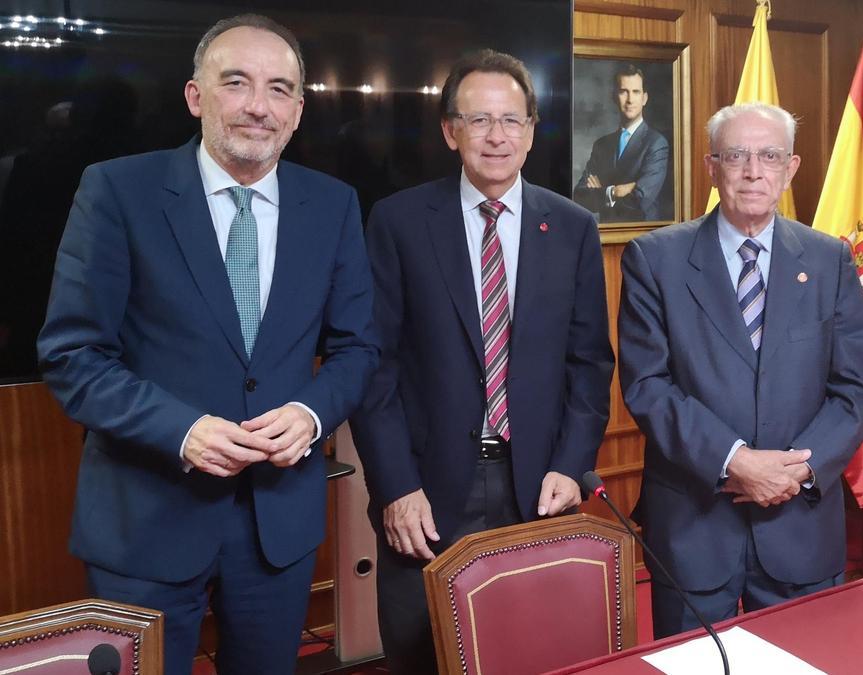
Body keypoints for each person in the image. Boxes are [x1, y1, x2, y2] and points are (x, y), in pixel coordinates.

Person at [36, 14, 379, 675]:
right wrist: (182, 429)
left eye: (280, 89)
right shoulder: (117, 191)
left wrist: (310, 416)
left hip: (278, 524)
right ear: (196, 96)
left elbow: (358, 348)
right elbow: (72, 355)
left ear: (299, 110)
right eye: (237, 82)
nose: (258, 105)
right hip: (146, 518)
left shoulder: (333, 205)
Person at [349, 49, 614, 673]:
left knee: (535, 646)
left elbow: (589, 365)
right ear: (450, 131)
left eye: (511, 121)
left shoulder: (572, 226)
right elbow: (374, 366)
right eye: (479, 120)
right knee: (422, 651)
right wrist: (395, 486)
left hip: (538, 487)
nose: (496, 137)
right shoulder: (399, 221)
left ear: (530, 131)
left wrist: (572, 465)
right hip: (429, 490)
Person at [618, 102, 863, 638]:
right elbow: (648, 386)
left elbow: (853, 392)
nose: (753, 171)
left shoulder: (831, 261)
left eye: (769, 156)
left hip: (799, 522)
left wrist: (795, 471)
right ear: (712, 168)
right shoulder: (654, 259)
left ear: (790, 168)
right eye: (736, 155)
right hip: (695, 526)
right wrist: (735, 461)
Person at [572, 64, 670, 223]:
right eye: (624, 91)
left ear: (644, 98)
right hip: (608, 236)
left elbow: (641, 200)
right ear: (614, 96)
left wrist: (601, 193)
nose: (630, 100)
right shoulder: (602, 145)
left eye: (636, 92)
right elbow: (579, 196)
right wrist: (614, 192)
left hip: (642, 236)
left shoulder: (656, 143)